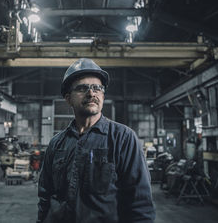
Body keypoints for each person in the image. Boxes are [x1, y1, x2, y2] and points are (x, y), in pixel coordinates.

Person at [37, 58, 155, 223]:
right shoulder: (57, 143)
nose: (91, 93)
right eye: (82, 88)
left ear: (103, 95)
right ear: (68, 98)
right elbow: (45, 195)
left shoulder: (123, 139)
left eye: (97, 88)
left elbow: (140, 204)